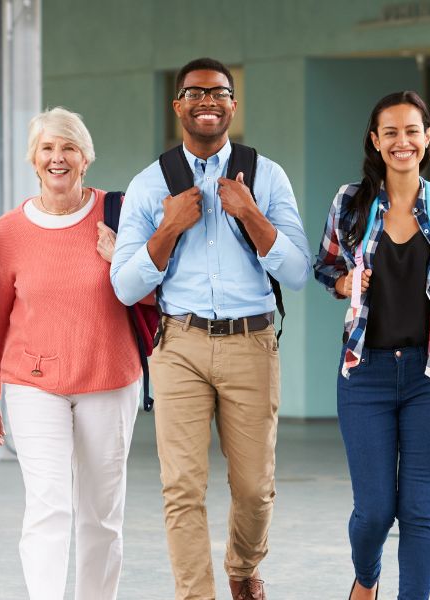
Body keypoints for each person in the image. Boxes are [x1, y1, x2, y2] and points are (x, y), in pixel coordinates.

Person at [110, 57, 311, 600]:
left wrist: (250, 214)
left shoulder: (265, 176)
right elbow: (125, 286)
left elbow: (297, 271)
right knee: (181, 488)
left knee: (253, 490)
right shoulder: (150, 185)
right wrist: (169, 228)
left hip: (252, 342)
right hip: (180, 345)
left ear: (232, 105)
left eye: (219, 93)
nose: (207, 101)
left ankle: (243, 567)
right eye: (195, 93)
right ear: (177, 104)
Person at [0, 107, 143, 600]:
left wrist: (121, 260)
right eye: (47, 148)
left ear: (86, 157)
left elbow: (155, 292)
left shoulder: (120, 212)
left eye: (68, 147)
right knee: (48, 505)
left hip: (109, 378)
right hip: (32, 384)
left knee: (101, 512)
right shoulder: (10, 231)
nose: (58, 157)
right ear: (33, 159)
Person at [313, 90, 430, 600]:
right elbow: (327, 267)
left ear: (427, 139)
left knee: (418, 509)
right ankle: (367, 576)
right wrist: (348, 284)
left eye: (411, 131)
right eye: (391, 132)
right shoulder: (350, 202)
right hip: (366, 372)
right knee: (376, 510)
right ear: (375, 141)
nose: (402, 141)